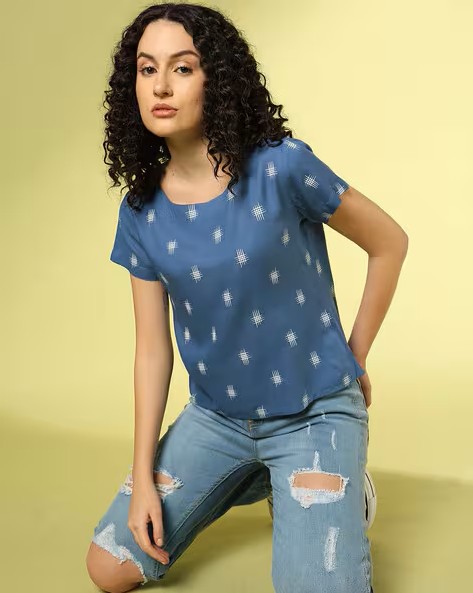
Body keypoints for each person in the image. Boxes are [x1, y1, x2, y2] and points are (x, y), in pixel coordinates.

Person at [85, 3, 408, 592]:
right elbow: (152, 352)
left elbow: (389, 242)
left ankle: (335, 479)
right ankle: (258, 476)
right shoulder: (140, 212)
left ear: (217, 79)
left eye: (182, 68)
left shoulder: (282, 167)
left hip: (315, 411)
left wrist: (354, 356)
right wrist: (142, 475)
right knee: (110, 567)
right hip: (216, 418)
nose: (160, 86)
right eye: (147, 68)